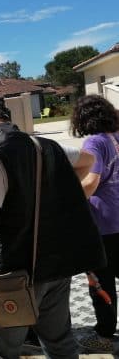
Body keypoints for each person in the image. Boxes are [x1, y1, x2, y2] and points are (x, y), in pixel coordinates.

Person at [0, 108, 106, 358]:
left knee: (2, 350)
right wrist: (63, 193)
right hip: (56, 268)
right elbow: (89, 161)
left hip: (12, 277)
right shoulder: (47, 146)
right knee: (59, 343)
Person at [70, 95, 119, 352]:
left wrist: (67, 207)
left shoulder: (95, 142)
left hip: (104, 225)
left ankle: (104, 336)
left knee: (101, 282)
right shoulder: (117, 136)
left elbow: (90, 182)